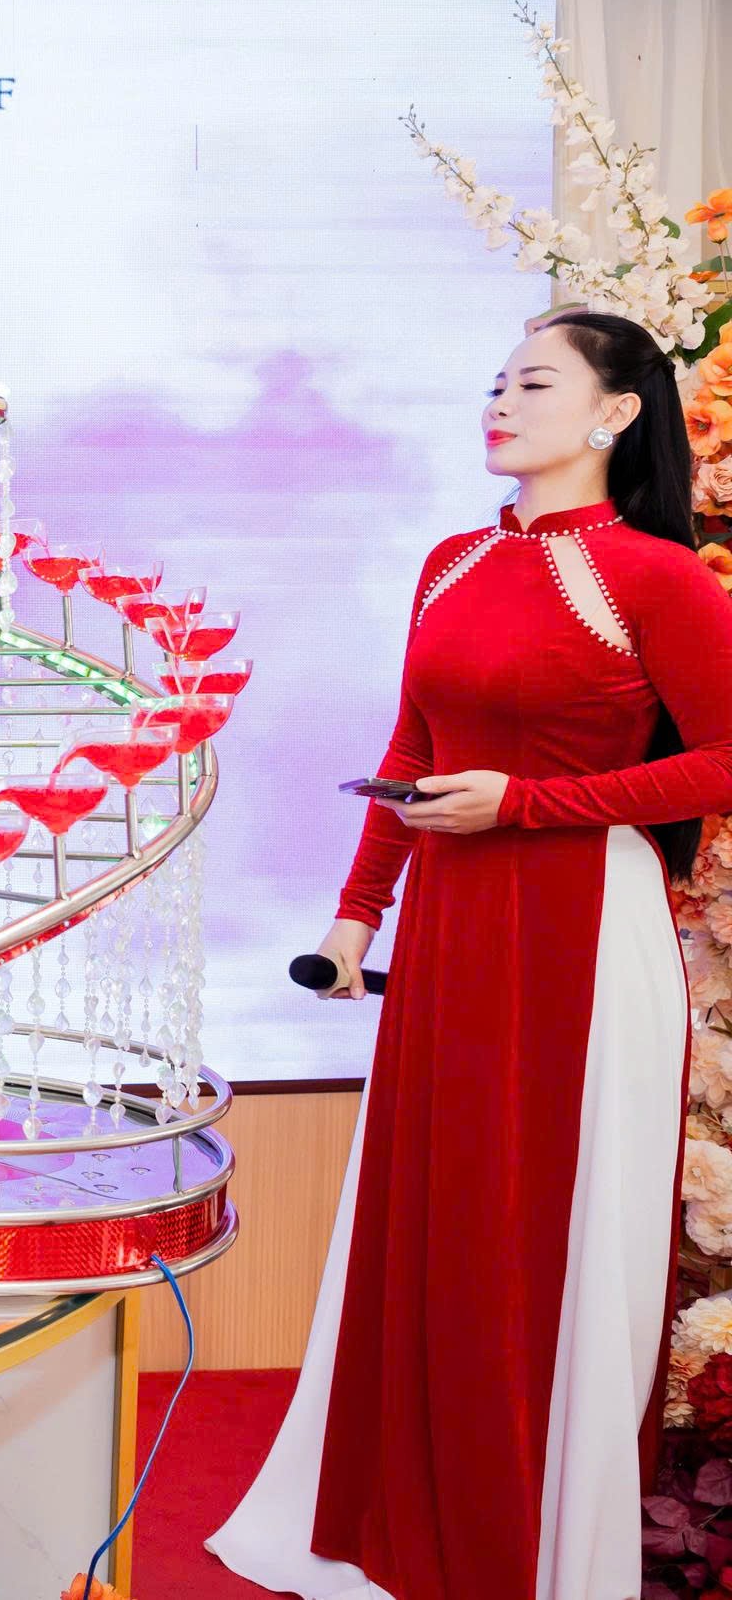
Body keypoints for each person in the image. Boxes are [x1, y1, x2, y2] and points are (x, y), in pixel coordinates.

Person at [210, 312, 732, 1600]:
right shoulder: (451, 561)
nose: (498, 401)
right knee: (435, 1219)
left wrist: (530, 804)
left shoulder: (657, 576)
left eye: (533, 383)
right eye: (494, 381)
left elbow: (724, 761)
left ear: (615, 412)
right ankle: (401, 1525)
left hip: (583, 927)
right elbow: (413, 752)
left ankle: (526, 1545)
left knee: (536, 1228)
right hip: (449, 922)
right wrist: (353, 918)